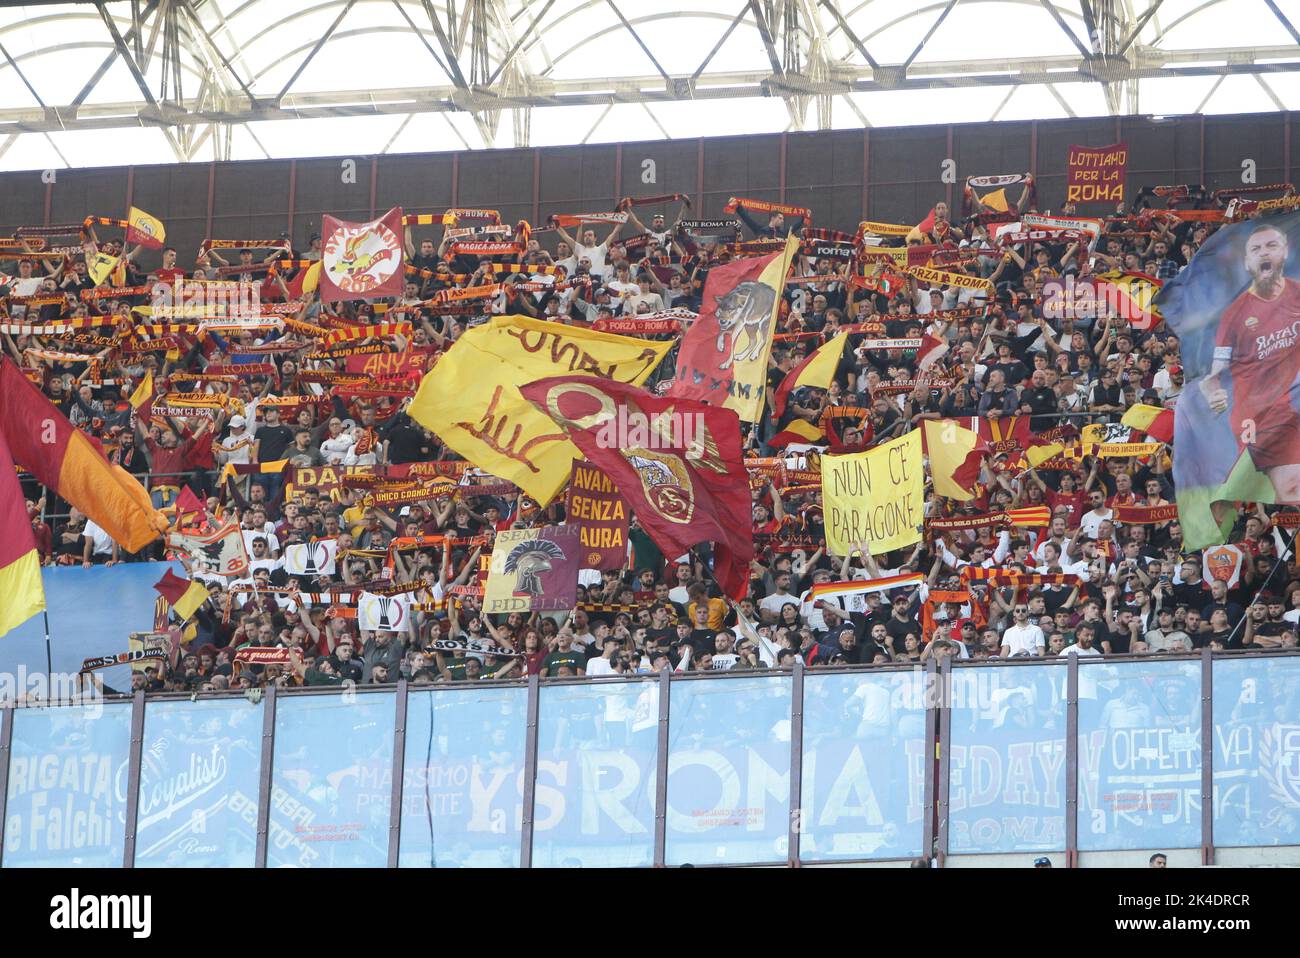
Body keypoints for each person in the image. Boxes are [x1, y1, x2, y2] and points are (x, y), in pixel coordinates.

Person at [1200, 223, 1300, 500]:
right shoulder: (1235, 314)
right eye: (1255, 249)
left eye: (1271, 245)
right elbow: (1214, 375)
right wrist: (1212, 393)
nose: (1263, 252)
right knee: (1291, 488)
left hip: (1291, 403)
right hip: (1256, 414)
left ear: (1285, 252)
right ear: (1247, 262)